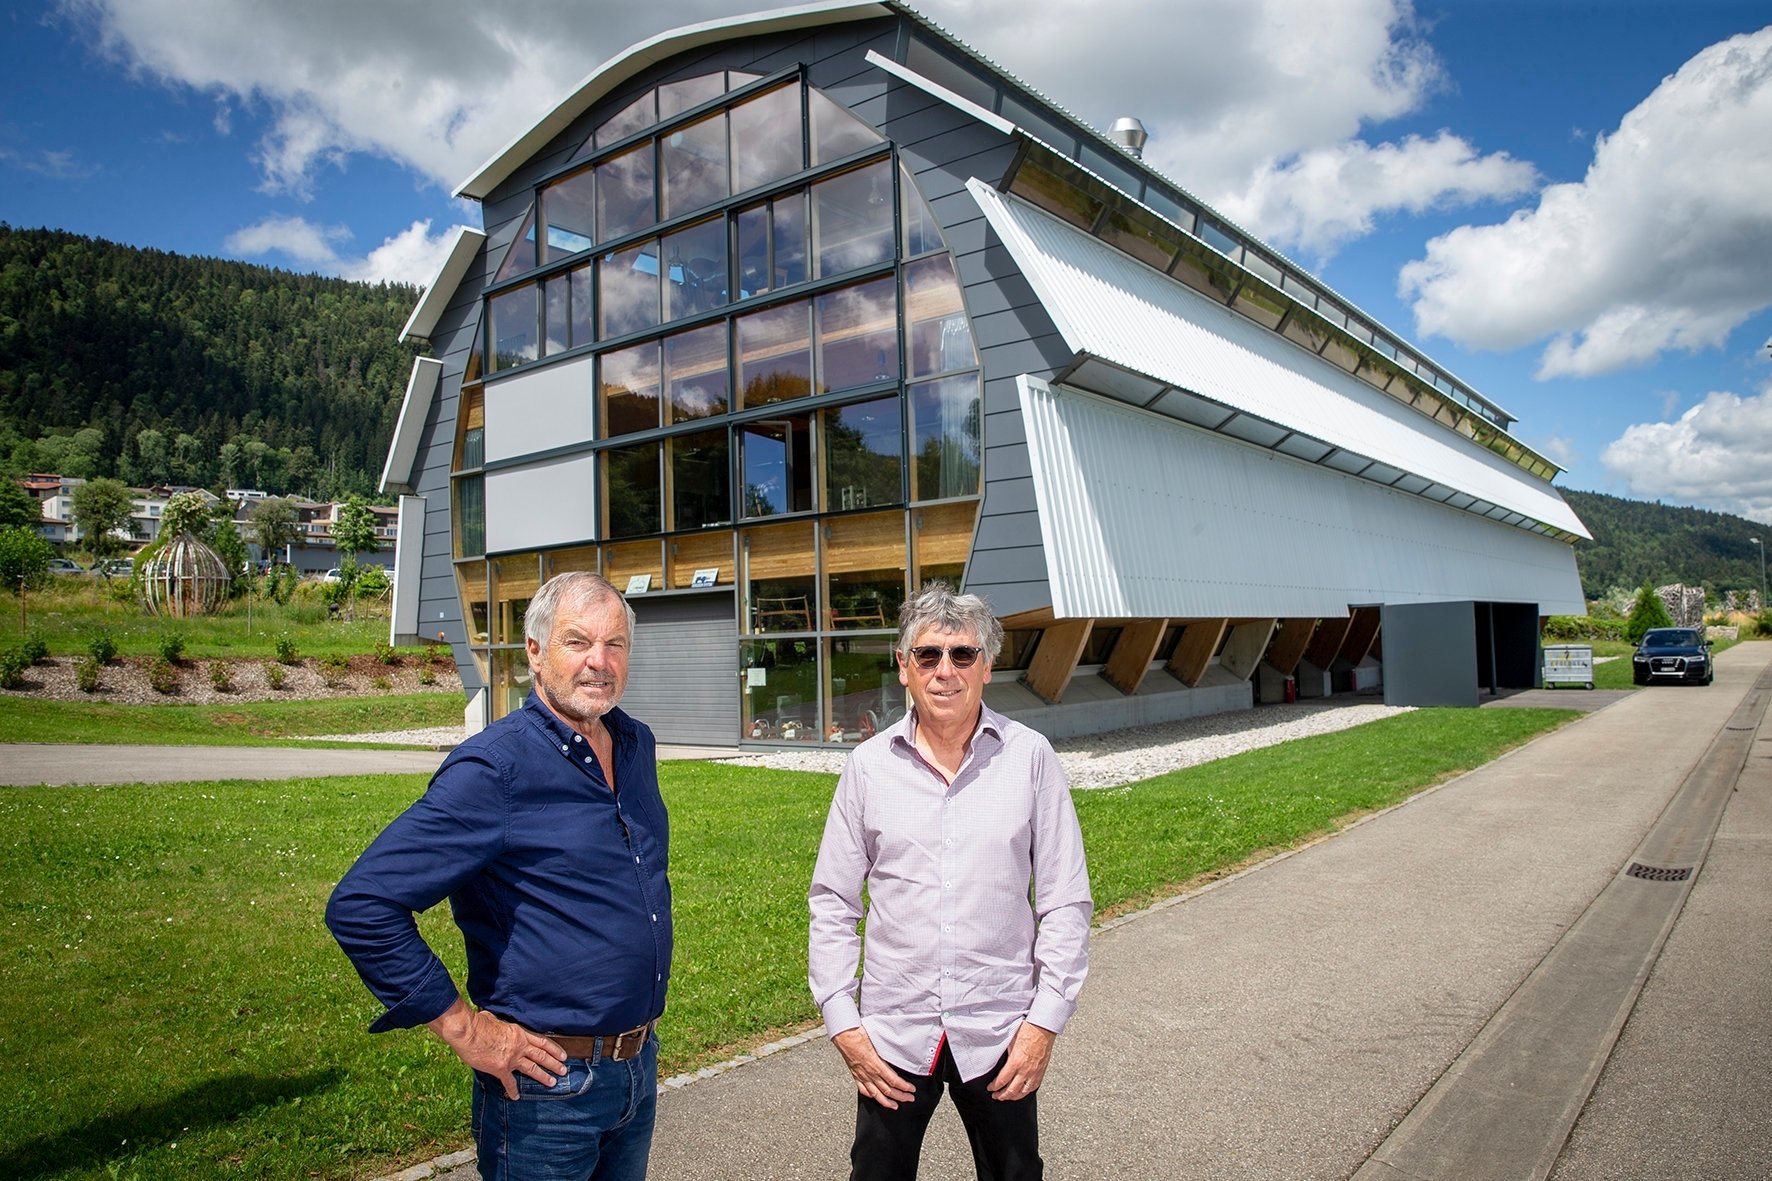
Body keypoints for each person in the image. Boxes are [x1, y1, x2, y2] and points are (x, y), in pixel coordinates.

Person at [326, 571, 670, 1181]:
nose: (599, 662)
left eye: (614, 644)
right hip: (546, 1089)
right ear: (534, 652)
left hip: (637, 1069)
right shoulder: (495, 769)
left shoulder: (635, 744)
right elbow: (364, 903)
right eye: (577, 642)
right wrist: (465, 1028)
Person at [808, 582, 1092, 1180]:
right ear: (904, 667)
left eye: (962, 655)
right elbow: (833, 901)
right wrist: (845, 1024)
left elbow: (1066, 901)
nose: (945, 671)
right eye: (928, 655)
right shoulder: (866, 767)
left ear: (987, 666)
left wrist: (1043, 1024)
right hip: (892, 1035)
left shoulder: (1032, 757)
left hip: (1000, 1031)